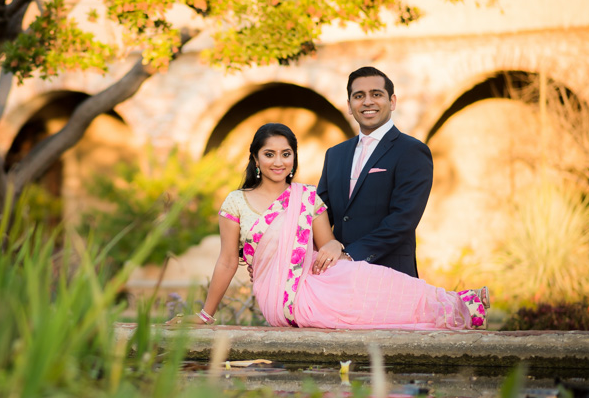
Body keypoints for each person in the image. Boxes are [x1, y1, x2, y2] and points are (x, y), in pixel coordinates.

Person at [183, 123, 488, 330]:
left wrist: (334, 245)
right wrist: (205, 315)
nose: (279, 162)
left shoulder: (306, 197)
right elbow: (226, 260)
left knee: (381, 283)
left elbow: (327, 246)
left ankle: (460, 304)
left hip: (323, 278)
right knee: (364, 292)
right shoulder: (236, 202)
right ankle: (460, 307)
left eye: (286, 154)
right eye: (270, 154)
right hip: (284, 298)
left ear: (294, 158)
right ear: (256, 158)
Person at [317, 66, 432, 277]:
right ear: (350, 106)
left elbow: (402, 221)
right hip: (339, 277)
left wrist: (349, 255)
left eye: (376, 94)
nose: (367, 101)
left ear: (392, 102)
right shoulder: (335, 154)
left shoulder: (411, 151)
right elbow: (319, 214)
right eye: (358, 96)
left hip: (390, 275)